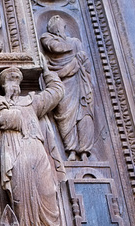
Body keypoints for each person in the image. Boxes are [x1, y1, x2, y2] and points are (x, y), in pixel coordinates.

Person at [0, 65, 65, 226]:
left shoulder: (31, 101)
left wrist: (48, 72)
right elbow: (4, 120)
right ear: (3, 84)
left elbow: (56, 93)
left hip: (35, 148)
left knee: (46, 189)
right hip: (14, 151)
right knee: (20, 190)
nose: (14, 84)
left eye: (16, 80)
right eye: (10, 80)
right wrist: (21, 115)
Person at [41, 15, 95, 161]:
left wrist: (80, 60)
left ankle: (84, 151)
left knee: (84, 115)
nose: (59, 26)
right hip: (63, 83)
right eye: (56, 24)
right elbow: (55, 47)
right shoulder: (47, 38)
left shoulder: (75, 42)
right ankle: (70, 150)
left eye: (61, 24)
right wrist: (73, 49)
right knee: (65, 116)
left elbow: (86, 64)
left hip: (80, 81)